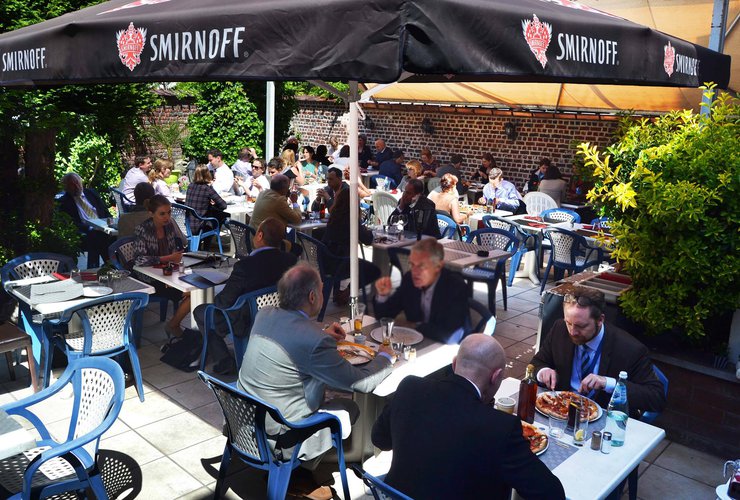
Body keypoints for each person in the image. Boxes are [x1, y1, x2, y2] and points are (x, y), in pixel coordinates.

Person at [238, 264, 394, 499]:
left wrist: (322, 334)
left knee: (321, 394)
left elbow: (291, 335)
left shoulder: (264, 314)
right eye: (322, 290)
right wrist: (386, 357)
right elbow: (362, 383)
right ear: (312, 296)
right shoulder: (314, 341)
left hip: (244, 418)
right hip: (280, 435)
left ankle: (297, 472)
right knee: (350, 406)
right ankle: (296, 472)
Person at [372, 334, 565, 500]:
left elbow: (379, 439)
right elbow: (551, 493)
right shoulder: (500, 428)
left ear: (455, 363)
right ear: (495, 376)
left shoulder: (409, 387)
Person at [530, 286, 667, 416]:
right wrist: (543, 371)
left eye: (581, 326)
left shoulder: (630, 349)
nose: (572, 332)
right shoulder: (559, 328)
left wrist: (609, 383)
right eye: (569, 323)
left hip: (604, 417)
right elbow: (536, 363)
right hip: (560, 409)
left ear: (600, 320)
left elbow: (656, 398)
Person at [193, 218, 297, 374]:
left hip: (246, 320)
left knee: (202, 311)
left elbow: (223, 303)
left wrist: (216, 298)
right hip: (278, 315)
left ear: (260, 235)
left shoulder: (245, 266)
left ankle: (224, 360)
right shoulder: (290, 260)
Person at [374, 238, 469, 344]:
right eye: (412, 265)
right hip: (419, 342)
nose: (414, 272)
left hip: (449, 348)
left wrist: (415, 326)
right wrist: (383, 295)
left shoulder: (455, 287)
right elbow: (384, 318)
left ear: (438, 266)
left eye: (421, 266)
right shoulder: (409, 280)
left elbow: (451, 336)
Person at [133, 195, 191, 338]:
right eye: (162, 214)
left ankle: (175, 324)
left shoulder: (169, 226)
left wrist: (176, 256)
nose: (167, 217)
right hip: (148, 278)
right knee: (192, 293)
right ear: (151, 213)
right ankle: (173, 325)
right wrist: (169, 258)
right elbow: (139, 260)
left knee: (196, 290)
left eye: (169, 212)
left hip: (168, 273)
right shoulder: (143, 229)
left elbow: (176, 247)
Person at [321, 186, 381, 305]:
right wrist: (371, 232)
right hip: (340, 262)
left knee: (360, 265)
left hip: (326, 261)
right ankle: (346, 292)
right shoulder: (351, 218)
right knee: (373, 270)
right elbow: (367, 240)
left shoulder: (334, 216)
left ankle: (342, 292)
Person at [57, 172, 113, 268]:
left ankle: (111, 263)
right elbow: (72, 223)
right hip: (86, 231)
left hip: (103, 226)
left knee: (118, 233)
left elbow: (105, 211)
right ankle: (109, 264)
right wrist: (90, 227)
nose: (76, 186)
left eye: (77, 182)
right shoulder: (64, 202)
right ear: (66, 188)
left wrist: (111, 222)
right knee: (97, 236)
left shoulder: (92, 193)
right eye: (72, 184)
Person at [185, 164, 228, 236]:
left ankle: (204, 241)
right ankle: (207, 242)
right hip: (199, 226)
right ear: (207, 175)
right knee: (220, 215)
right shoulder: (207, 188)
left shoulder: (190, 186)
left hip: (187, 224)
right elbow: (223, 205)